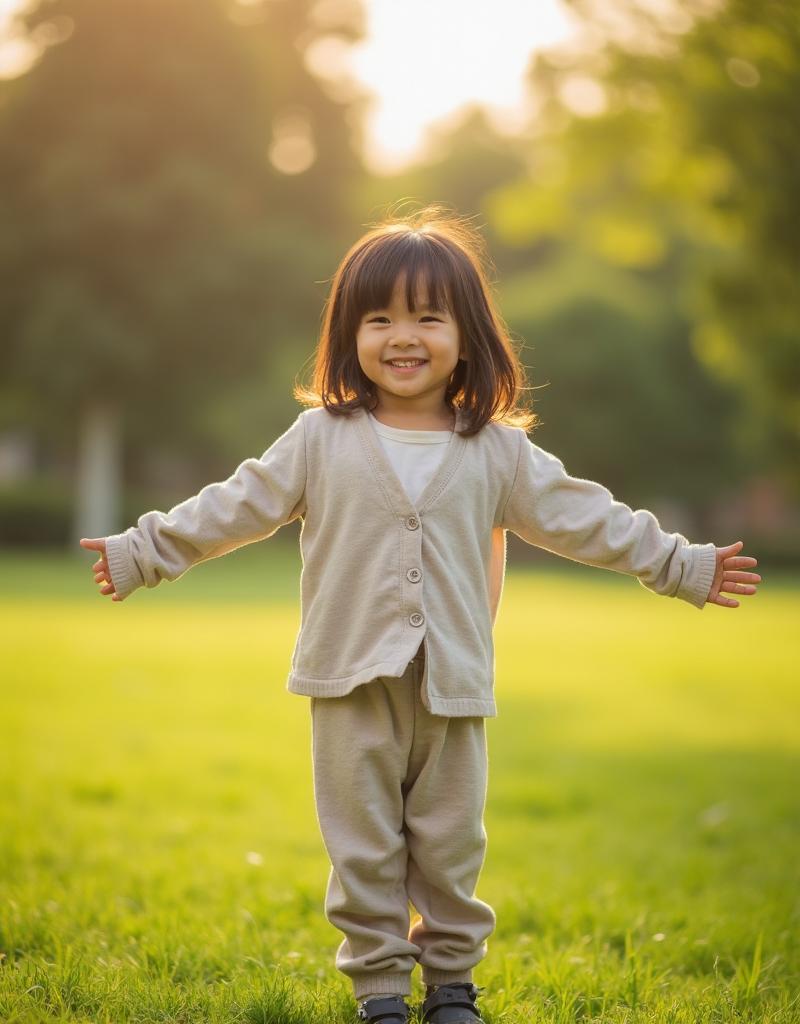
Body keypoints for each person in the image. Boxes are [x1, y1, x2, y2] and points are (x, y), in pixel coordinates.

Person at [79, 206, 760, 1024]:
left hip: (454, 688)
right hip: (347, 681)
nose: (404, 337)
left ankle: (451, 988)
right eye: (380, 319)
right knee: (364, 847)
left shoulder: (498, 450)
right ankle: (379, 992)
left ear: (466, 336)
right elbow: (236, 505)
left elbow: (590, 518)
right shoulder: (320, 438)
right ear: (349, 337)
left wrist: (681, 564)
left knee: (448, 845)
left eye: (427, 317)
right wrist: (142, 551)